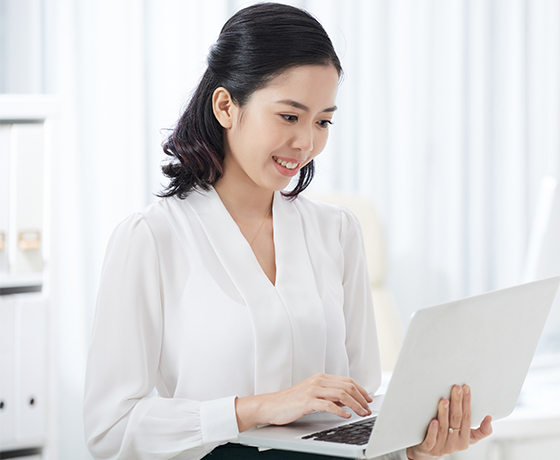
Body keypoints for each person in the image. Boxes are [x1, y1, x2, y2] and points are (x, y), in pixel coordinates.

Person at [82, 4, 492, 459]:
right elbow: (111, 431)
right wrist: (256, 409)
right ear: (225, 106)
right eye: (289, 116)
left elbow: (361, 409)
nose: (306, 143)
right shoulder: (151, 239)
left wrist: (413, 449)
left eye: (323, 121)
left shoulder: (337, 232)